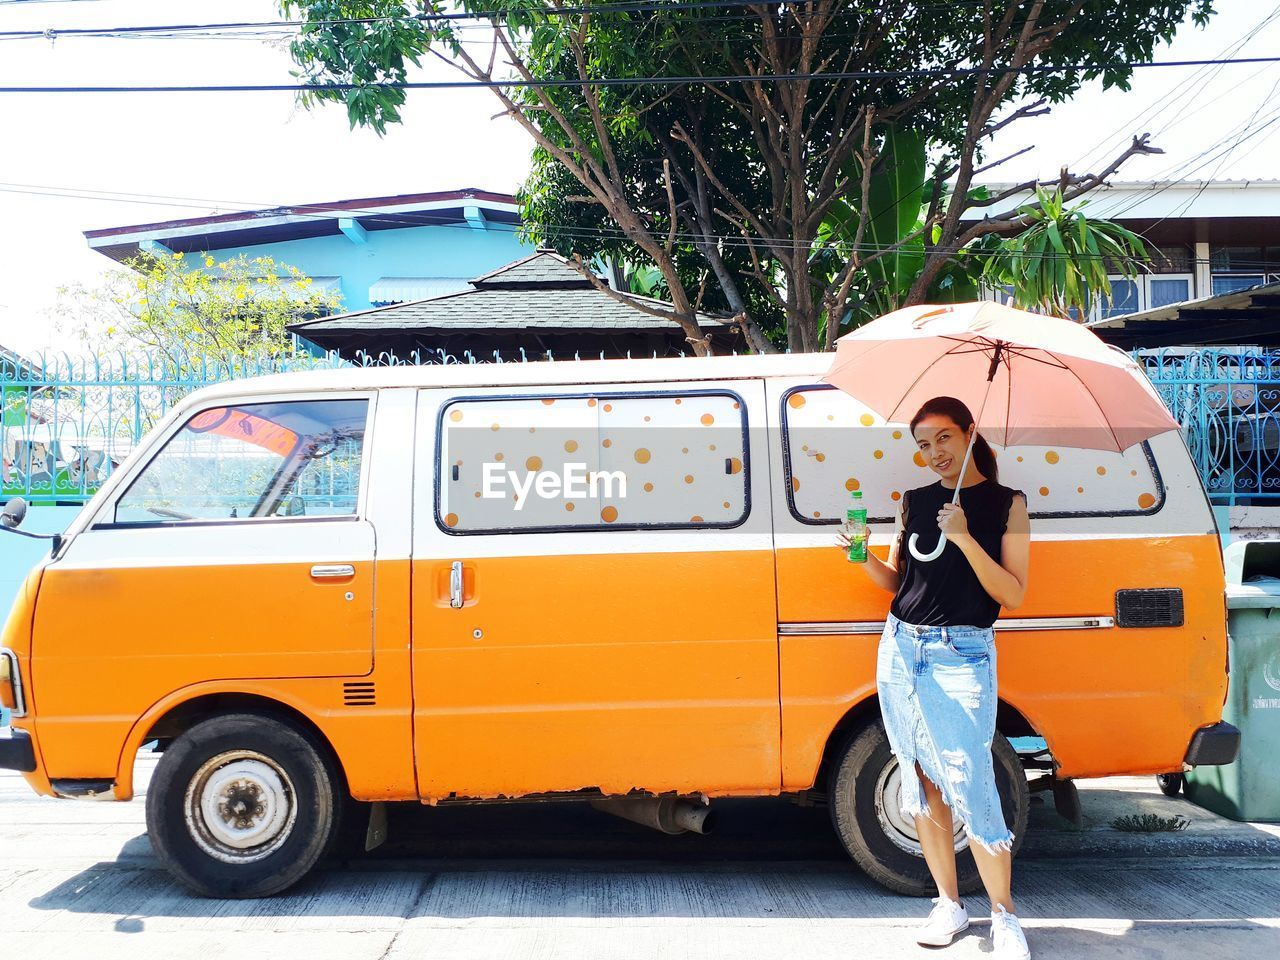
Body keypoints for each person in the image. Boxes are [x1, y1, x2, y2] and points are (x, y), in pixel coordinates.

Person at [836, 395, 1032, 959]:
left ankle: (1004, 916)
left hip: (962, 653)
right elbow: (898, 582)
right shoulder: (914, 502)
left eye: (943, 438)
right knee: (919, 777)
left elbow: (1013, 594)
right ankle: (949, 903)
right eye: (923, 444)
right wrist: (857, 555)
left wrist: (967, 535)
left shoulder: (1006, 504)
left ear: (970, 434)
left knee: (970, 778)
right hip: (901, 649)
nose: (934, 453)